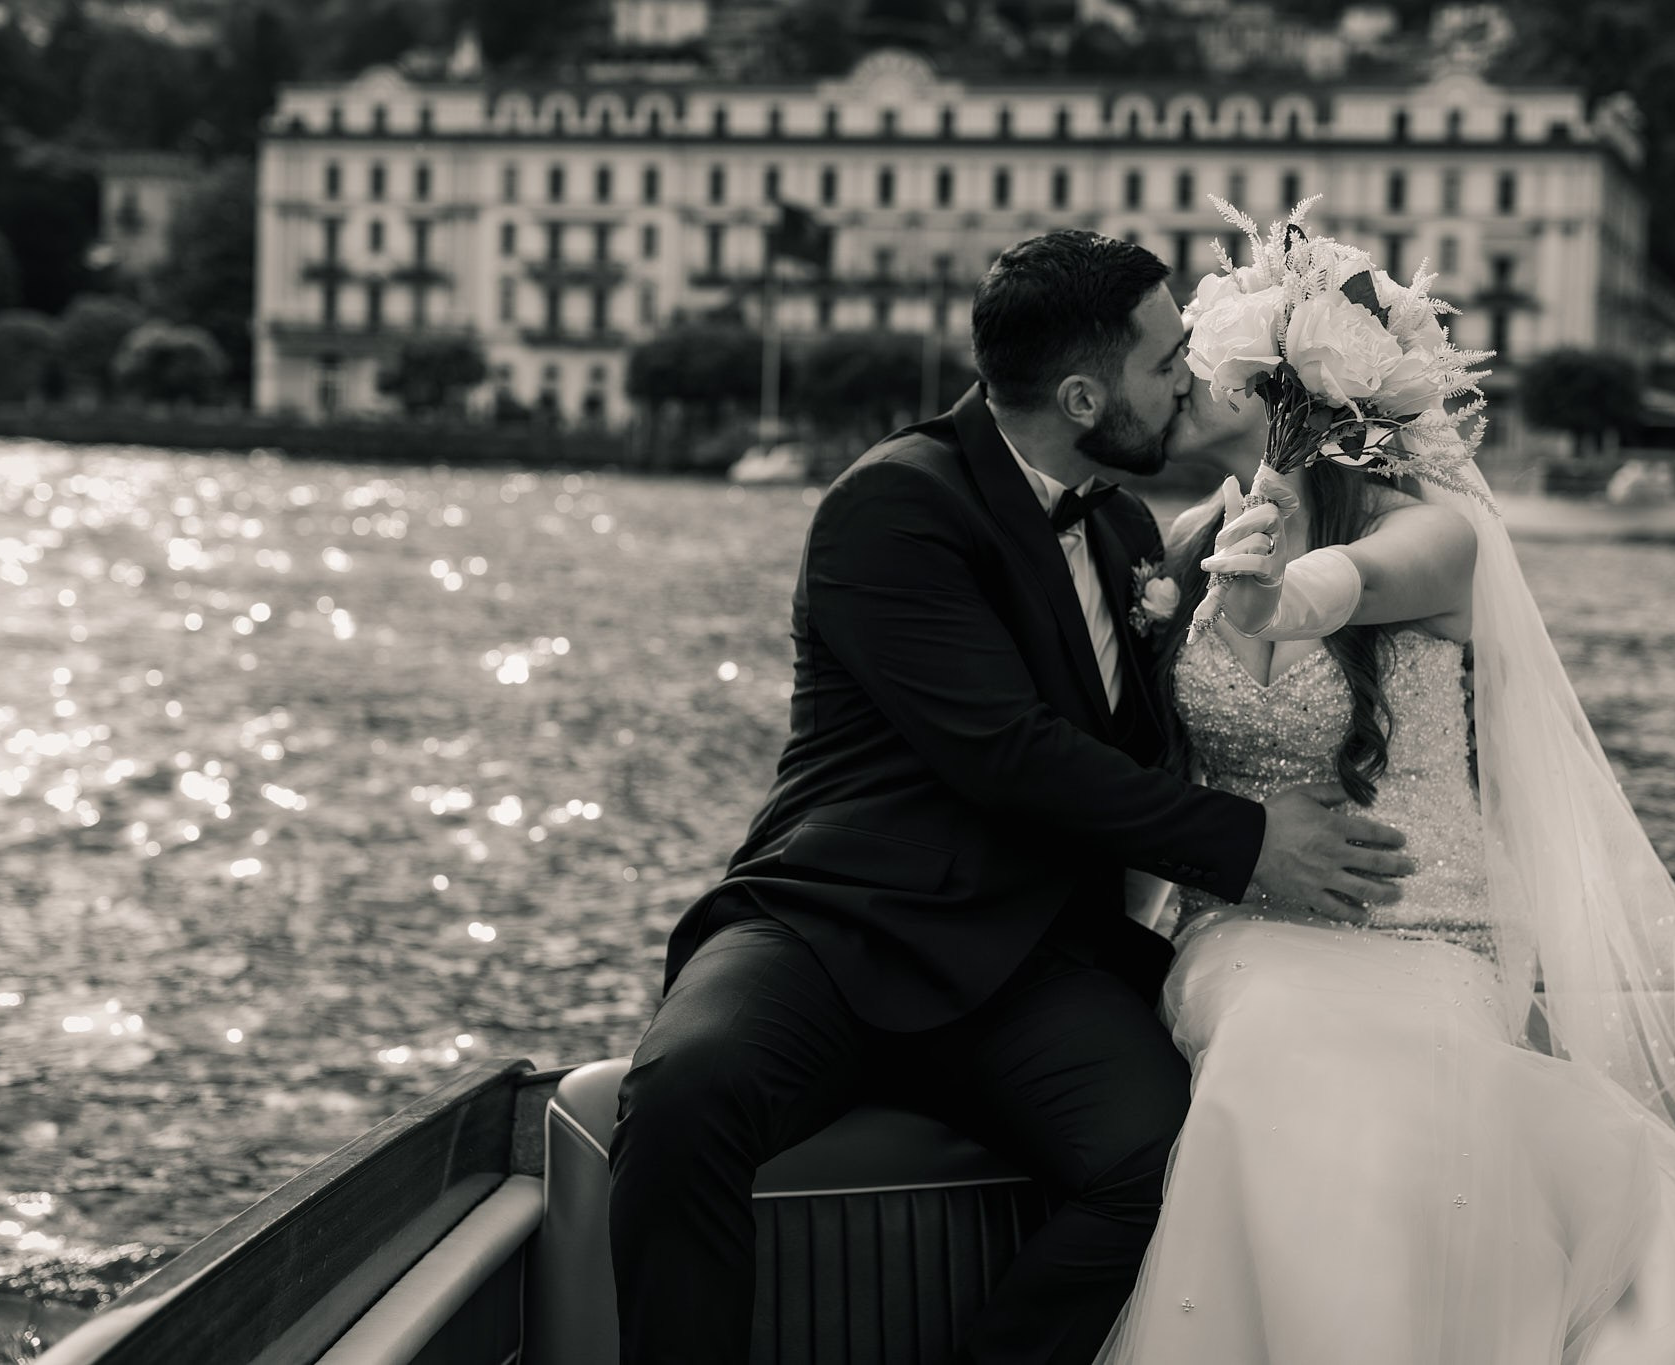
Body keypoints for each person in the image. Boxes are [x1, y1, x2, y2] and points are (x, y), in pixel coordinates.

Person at [607, 230, 1419, 1365]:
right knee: (683, 1095)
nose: (1188, 375)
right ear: (1083, 394)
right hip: (839, 926)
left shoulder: (1128, 528)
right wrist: (1242, 844)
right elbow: (1005, 752)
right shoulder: (891, 505)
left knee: (1163, 1162)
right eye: (1162, 359)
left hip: (1027, 962)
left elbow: (1144, 748)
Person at [1092, 380, 1675, 1363]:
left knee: (1398, 1088)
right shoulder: (1170, 547)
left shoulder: (1428, 536)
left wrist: (1274, 593)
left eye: (1206, 364)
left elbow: (1359, 585)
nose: (1172, 383)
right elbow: (1145, 782)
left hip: (1427, 930)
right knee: (1274, 1035)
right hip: (1241, 931)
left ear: (1288, 387)